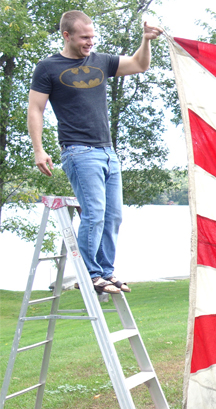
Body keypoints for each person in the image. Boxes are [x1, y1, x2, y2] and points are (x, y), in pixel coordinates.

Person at [27, 11, 163, 295]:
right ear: (67, 35)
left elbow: (139, 64)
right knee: (95, 213)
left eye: (93, 36)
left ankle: (105, 271)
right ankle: (89, 274)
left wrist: (146, 40)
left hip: (107, 151)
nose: (91, 42)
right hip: (78, 151)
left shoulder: (100, 61)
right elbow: (35, 109)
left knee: (113, 216)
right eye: (84, 37)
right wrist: (38, 150)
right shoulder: (48, 67)